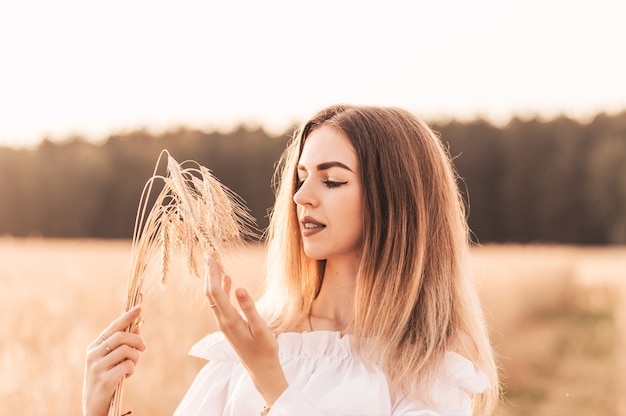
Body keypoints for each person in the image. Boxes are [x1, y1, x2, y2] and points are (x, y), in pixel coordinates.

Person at [83, 104, 500, 415]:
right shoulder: (260, 338)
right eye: (301, 177)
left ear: (395, 201)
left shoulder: (429, 356)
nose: (301, 197)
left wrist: (272, 383)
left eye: (332, 180)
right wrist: (97, 406)